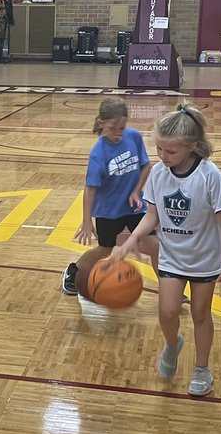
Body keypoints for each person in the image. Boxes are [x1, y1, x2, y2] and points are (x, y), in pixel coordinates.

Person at [113, 104, 221, 398]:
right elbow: (152, 215)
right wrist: (133, 240)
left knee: (200, 313)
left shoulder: (209, 174)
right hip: (172, 255)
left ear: (191, 147)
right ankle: (172, 345)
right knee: (167, 311)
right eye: (159, 149)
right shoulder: (159, 173)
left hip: (205, 259)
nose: (163, 156)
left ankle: (202, 369)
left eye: (170, 152)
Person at [62, 98, 158, 295]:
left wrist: (135, 190)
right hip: (109, 211)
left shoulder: (133, 137)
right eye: (113, 128)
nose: (118, 133)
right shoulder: (98, 154)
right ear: (101, 123)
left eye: (121, 128)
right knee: (104, 249)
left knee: (154, 245)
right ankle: (74, 272)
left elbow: (145, 166)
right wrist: (86, 221)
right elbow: (90, 190)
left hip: (134, 207)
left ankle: (168, 289)